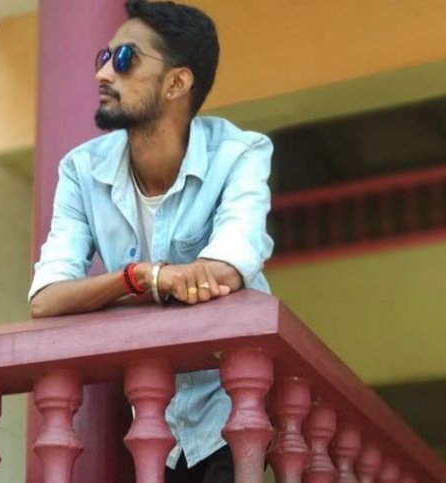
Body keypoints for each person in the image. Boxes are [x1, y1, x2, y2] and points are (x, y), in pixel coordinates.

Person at [28, 0, 274, 481]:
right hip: (145, 418)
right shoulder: (80, 170)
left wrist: (114, 294)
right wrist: (138, 278)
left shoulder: (240, 153)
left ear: (177, 83)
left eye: (125, 59)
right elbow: (46, 298)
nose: (103, 74)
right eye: (104, 57)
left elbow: (228, 267)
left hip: (230, 409)